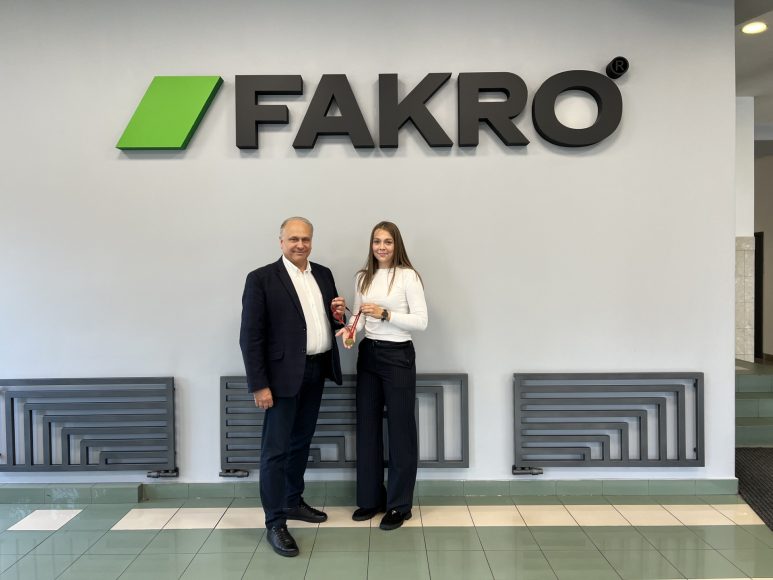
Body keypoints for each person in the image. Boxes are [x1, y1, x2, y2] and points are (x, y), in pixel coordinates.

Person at [239, 216, 346, 557]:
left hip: (316, 370)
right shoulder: (261, 279)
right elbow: (250, 337)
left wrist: (340, 315)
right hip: (281, 379)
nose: (301, 244)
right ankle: (275, 522)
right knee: (275, 450)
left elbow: (329, 322)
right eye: (294, 239)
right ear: (281, 241)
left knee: (301, 442)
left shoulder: (323, 274)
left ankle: (292, 501)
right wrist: (259, 385)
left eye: (306, 239)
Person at [337, 221, 428, 531]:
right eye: (377, 241)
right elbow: (359, 318)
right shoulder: (363, 277)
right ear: (371, 245)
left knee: (401, 430)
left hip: (398, 356)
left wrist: (386, 314)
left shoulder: (407, 276)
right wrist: (349, 329)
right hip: (369, 355)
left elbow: (421, 321)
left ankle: (399, 505)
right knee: (367, 427)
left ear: (396, 244)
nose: (382, 247)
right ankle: (370, 499)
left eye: (387, 241)